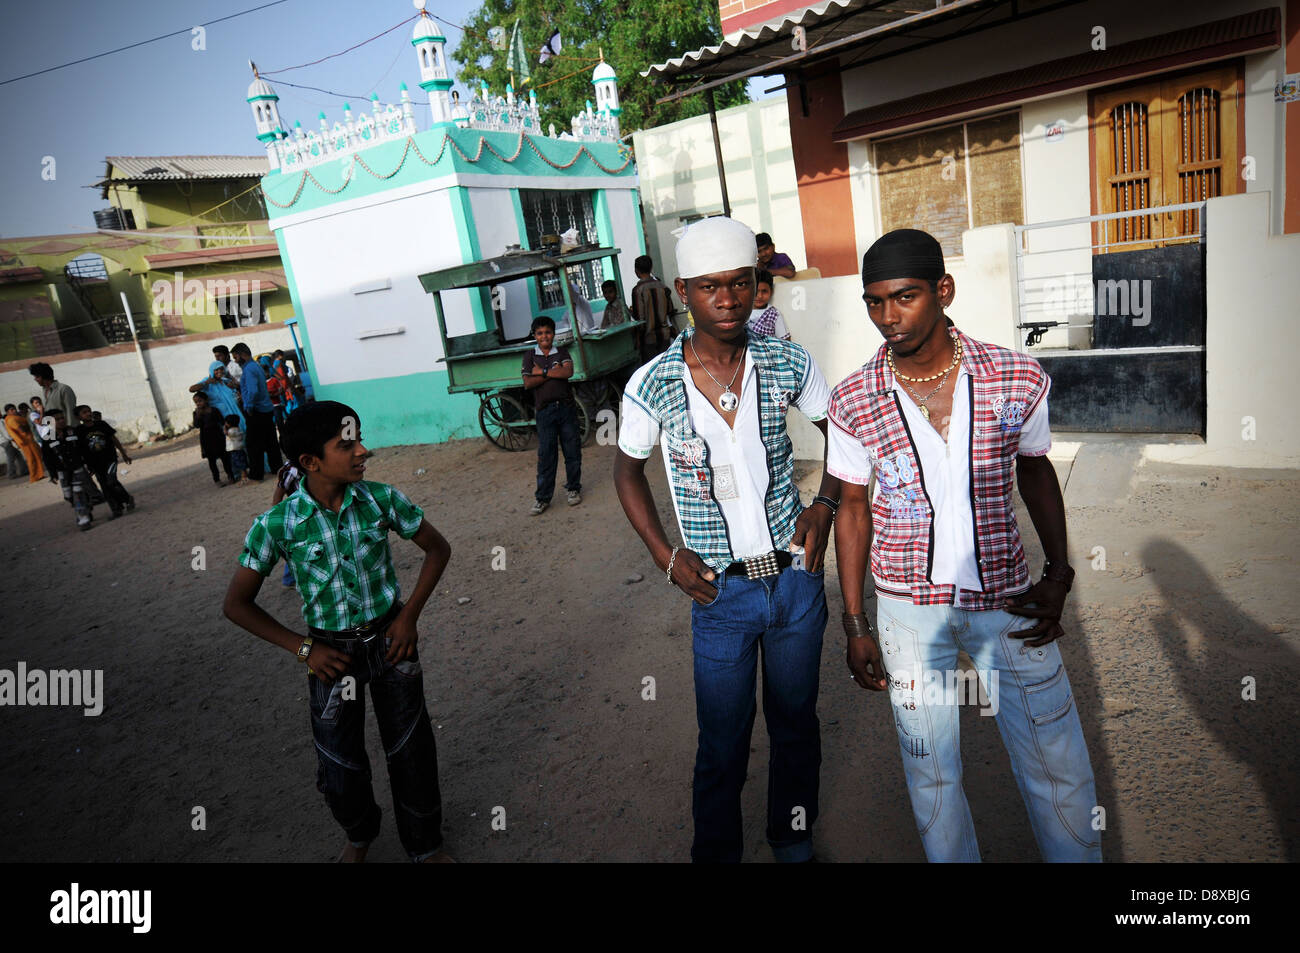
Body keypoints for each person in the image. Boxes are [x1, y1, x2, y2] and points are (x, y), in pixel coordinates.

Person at [827, 227, 1100, 863]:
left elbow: (1035, 471)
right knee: (933, 775)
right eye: (873, 302)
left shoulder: (1016, 377)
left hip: (1009, 598)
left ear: (943, 291)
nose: (887, 317)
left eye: (904, 297)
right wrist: (855, 620)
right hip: (906, 608)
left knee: (1056, 758)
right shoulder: (852, 398)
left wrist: (1058, 575)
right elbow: (853, 507)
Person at [613, 216, 841, 863]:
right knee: (723, 743)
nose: (729, 298)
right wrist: (666, 555)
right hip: (720, 595)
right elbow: (626, 470)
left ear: (755, 284)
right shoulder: (653, 382)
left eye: (740, 283)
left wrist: (824, 501)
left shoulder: (787, 360)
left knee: (796, 725)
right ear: (684, 290)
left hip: (795, 583)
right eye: (711, 286)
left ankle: (792, 838)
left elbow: (841, 433)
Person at [222, 401, 454, 863]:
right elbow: (236, 605)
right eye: (347, 444)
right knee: (340, 764)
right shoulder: (277, 524)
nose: (363, 450)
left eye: (360, 438)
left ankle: (425, 846)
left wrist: (408, 616)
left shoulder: (381, 499)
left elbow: (437, 549)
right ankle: (359, 833)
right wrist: (304, 648)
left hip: (392, 643)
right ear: (310, 462)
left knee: (411, 751)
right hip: (330, 654)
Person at [521, 316, 581, 515]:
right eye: (539, 333)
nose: (544, 336)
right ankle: (543, 498)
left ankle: (573, 489)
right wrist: (553, 371)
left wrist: (543, 372)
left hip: (566, 408)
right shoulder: (530, 356)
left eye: (547, 332)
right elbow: (528, 383)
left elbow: (568, 372)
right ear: (535, 336)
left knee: (572, 451)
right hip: (545, 412)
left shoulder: (561, 352)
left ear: (553, 334)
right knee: (546, 455)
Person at [231, 342, 283, 481]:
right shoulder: (256, 366)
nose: (235, 361)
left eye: (236, 357)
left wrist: (249, 407)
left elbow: (253, 391)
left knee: (253, 445)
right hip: (266, 408)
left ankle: (256, 475)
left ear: (242, 354)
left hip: (257, 410)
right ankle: (277, 468)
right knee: (270, 441)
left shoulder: (249, 369)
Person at [75, 405, 134, 518]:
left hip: (110, 459)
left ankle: (127, 499)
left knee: (111, 481)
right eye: (84, 412)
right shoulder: (79, 431)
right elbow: (81, 449)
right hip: (95, 464)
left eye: (89, 411)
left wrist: (124, 454)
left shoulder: (101, 425)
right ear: (78, 417)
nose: (88, 414)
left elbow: (114, 439)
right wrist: (87, 465)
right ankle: (116, 509)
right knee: (105, 487)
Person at [45, 409, 94, 531]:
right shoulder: (48, 438)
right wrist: (52, 474)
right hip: (63, 472)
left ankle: (83, 519)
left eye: (62, 418)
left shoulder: (73, 431)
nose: (61, 421)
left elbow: (84, 449)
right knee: (69, 496)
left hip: (77, 469)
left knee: (78, 493)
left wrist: (89, 465)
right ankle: (86, 507)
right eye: (57, 419)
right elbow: (47, 457)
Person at [630, 255, 674, 359]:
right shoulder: (663, 287)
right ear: (651, 268)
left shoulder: (637, 290)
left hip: (648, 338)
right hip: (664, 336)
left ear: (636, 271)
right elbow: (670, 309)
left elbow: (639, 319)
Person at [270, 459, 302, 587]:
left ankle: (290, 578)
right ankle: (289, 578)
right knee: (297, 545)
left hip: (311, 509)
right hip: (299, 512)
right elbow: (279, 493)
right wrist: (276, 516)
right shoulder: (292, 469)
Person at [193, 393, 232, 485]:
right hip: (206, 438)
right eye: (196, 402)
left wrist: (226, 429)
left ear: (206, 400)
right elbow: (197, 425)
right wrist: (198, 416)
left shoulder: (214, 410)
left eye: (200, 401)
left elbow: (222, 421)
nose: (198, 404)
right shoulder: (196, 413)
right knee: (212, 460)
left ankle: (230, 475)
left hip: (218, 436)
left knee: (225, 457)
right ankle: (217, 480)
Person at [747, 270, 791, 341]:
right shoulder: (743, 311)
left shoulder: (774, 314)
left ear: (771, 291)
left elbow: (785, 340)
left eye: (764, 291)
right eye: (756, 291)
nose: (760, 296)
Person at [29, 397, 59, 485]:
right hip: (43, 437)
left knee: (56, 452)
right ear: (33, 405)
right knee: (47, 456)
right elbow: (40, 423)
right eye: (36, 403)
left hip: (52, 433)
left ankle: (58, 471)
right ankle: (52, 475)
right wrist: (41, 411)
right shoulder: (33, 414)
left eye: (39, 402)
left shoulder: (46, 411)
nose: (38, 404)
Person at [3, 404, 35, 480]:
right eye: (12, 410)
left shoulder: (7, 419)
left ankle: (24, 470)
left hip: (10, 440)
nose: (15, 411)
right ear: (7, 412)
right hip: (8, 441)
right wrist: (13, 439)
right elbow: (6, 432)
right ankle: (11, 474)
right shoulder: (6, 420)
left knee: (19, 456)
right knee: (11, 458)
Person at [225, 415, 249, 484]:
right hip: (239, 449)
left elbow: (227, 433)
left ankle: (244, 478)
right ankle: (244, 476)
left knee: (240, 464)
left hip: (235, 450)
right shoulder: (238, 429)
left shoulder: (231, 431)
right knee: (241, 463)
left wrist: (225, 429)